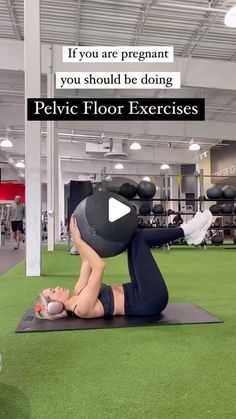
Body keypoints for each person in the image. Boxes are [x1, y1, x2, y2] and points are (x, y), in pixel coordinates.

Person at [35, 210, 212, 320]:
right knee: (139, 239)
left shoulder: (79, 290)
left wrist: (83, 235)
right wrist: (76, 239)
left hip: (138, 289)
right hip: (149, 300)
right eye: (52, 292)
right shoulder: (81, 308)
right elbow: (99, 266)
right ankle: (189, 231)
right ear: (54, 307)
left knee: (134, 237)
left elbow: (87, 260)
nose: (56, 288)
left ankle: (190, 233)